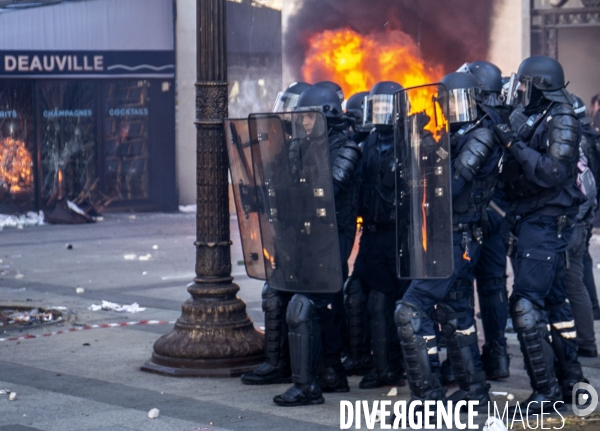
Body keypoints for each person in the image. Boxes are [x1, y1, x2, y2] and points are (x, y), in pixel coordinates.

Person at [395, 72, 501, 408]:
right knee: (456, 314)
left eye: (456, 101)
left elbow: (453, 186)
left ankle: (427, 399)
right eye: (447, 101)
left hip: (461, 237)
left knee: (410, 310)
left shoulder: (482, 134)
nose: (450, 108)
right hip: (449, 236)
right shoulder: (458, 134)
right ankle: (475, 393)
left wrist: (428, 145)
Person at [493, 55, 587, 410]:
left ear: (540, 86)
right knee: (555, 305)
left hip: (546, 224)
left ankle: (547, 392)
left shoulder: (561, 117)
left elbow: (551, 172)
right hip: (533, 221)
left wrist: (512, 144)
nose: (520, 90)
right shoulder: (536, 115)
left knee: (526, 304)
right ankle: (573, 383)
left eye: (524, 84)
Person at [272, 85, 361, 406]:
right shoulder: (307, 147)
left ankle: (307, 385)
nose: (304, 123)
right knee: (326, 310)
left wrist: (293, 194)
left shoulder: (347, 148)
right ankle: (330, 373)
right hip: (311, 235)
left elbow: (327, 190)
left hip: (333, 238)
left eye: (310, 117)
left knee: (306, 305)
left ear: (327, 115)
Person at [351, 81, 409, 389]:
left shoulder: (413, 140)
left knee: (396, 303)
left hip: (399, 235)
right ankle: (378, 364)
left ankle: (397, 366)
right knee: (368, 299)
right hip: (372, 233)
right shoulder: (368, 142)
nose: (382, 115)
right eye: (378, 108)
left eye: (387, 108)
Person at [467, 60, 512, 380]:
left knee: (459, 288)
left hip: (479, 214)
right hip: (499, 214)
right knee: (493, 285)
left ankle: (469, 363)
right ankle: (498, 357)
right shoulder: (508, 120)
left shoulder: (479, 123)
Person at [565, 94, 598, 358]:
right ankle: (584, 341)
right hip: (580, 223)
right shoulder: (581, 137)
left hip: (575, 224)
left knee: (572, 283)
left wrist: (574, 220)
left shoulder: (577, 141)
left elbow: (586, 189)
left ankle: (585, 343)